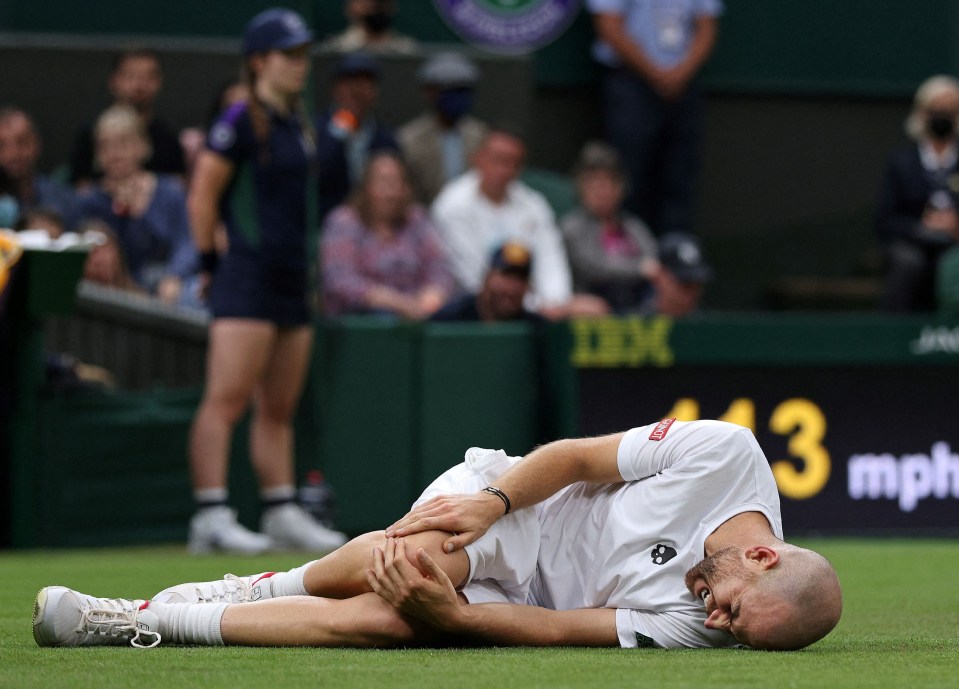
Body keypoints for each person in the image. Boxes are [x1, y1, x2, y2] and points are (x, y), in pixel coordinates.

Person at [32, 419, 842, 651]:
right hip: (511, 513)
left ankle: (139, 619)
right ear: (762, 555)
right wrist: (492, 501)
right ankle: (257, 588)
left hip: (512, 592)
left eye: (731, 630)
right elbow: (569, 457)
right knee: (418, 557)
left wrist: (452, 621)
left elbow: (566, 626)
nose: (715, 622)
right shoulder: (727, 452)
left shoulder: (708, 636)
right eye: (733, 608)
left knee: (397, 614)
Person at [185, 8, 348, 554]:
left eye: (305, 54)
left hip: (293, 283)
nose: (301, 65)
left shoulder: (301, 126)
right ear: (260, 61)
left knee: (278, 408)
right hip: (246, 279)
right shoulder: (235, 122)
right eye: (289, 55)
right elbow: (203, 196)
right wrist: (210, 264)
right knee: (225, 399)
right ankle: (209, 515)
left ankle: (279, 510)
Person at [431, 126, 604, 319]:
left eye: (514, 163)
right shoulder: (452, 205)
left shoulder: (534, 203)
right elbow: (474, 279)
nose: (505, 169)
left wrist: (555, 303)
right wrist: (537, 306)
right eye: (499, 160)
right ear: (478, 158)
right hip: (473, 313)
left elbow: (550, 261)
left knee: (594, 309)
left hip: (534, 310)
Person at [587, 0, 722, 235]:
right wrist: (656, 73)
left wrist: (680, 73)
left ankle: (676, 246)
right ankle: (626, 248)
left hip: (684, 84)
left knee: (681, 173)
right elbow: (608, 25)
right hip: (630, 82)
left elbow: (707, 26)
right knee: (628, 174)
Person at [75, 105, 199, 307]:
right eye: (106, 146)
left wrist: (174, 277)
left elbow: (187, 242)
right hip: (118, 288)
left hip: (169, 279)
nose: (115, 153)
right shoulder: (91, 202)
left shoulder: (170, 191)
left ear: (142, 146)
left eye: (123, 143)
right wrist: (125, 215)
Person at [320, 150, 454, 318]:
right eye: (384, 183)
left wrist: (433, 294)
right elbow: (340, 280)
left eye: (397, 183)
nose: (391, 193)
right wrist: (395, 302)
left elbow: (439, 269)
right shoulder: (344, 221)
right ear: (366, 187)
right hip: (363, 319)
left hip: (419, 313)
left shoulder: (417, 219)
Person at [875, 75, 959, 312]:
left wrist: (954, 226)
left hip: (954, 245)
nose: (943, 116)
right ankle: (891, 338)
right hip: (912, 243)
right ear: (922, 113)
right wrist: (922, 226)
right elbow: (884, 221)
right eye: (937, 110)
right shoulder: (901, 162)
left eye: (951, 111)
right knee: (907, 261)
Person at [561, 141, 659, 313]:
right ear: (581, 188)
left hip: (638, 306)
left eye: (607, 183)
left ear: (620, 188)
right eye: (594, 184)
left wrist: (648, 269)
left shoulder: (633, 225)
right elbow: (593, 268)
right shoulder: (572, 227)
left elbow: (654, 262)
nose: (602, 191)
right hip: (594, 306)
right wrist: (639, 268)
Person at [68, 48, 185, 188]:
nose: (139, 85)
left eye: (148, 77)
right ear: (114, 80)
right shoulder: (89, 132)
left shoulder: (168, 138)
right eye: (131, 76)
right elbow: (79, 186)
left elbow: (179, 184)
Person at [315, 51, 400, 222]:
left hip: (376, 230)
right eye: (350, 83)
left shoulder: (385, 138)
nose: (357, 91)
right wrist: (342, 126)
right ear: (336, 88)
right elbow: (317, 175)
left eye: (365, 84)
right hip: (324, 225)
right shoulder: (314, 129)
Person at [398, 52, 489, 205]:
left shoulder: (480, 135)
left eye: (464, 90)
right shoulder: (408, 139)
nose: (459, 97)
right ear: (430, 93)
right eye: (452, 90)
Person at [0, 107, 79, 230]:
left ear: (36, 143)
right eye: (1, 146)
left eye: (22, 142)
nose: (12, 154)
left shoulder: (63, 199)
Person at [431, 241, 544, 322]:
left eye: (520, 279)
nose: (512, 287)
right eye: (506, 276)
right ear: (487, 277)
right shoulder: (451, 320)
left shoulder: (535, 330)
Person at [641, 231, 712, 317]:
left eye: (698, 282)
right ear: (658, 275)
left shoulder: (710, 325)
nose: (693, 291)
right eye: (685, 282)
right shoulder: (632, 323)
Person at [320, 0, 418, 55]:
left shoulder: (407, 50)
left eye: (381, 4)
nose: (374, 9)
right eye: (368, 4)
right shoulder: (336, 49)